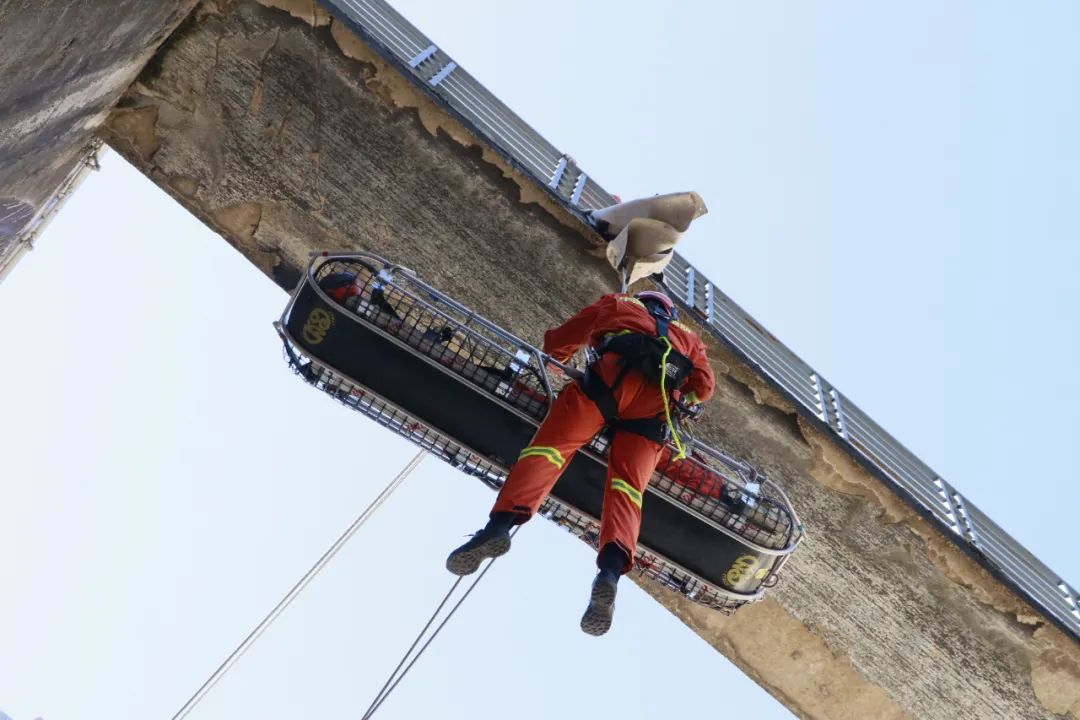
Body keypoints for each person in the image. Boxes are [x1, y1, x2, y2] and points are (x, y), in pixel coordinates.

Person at [445, 290, 715, 635]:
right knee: (628, 490)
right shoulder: (689, 338)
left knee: (549, 451)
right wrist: (686, 399)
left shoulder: (621, 303)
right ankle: (610, 573)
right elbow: (704, 387)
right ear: (670, 311)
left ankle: (498, 528)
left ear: (643, 301)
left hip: (608, 383)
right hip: (653, 411)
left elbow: (572, 333)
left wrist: (553, 358)